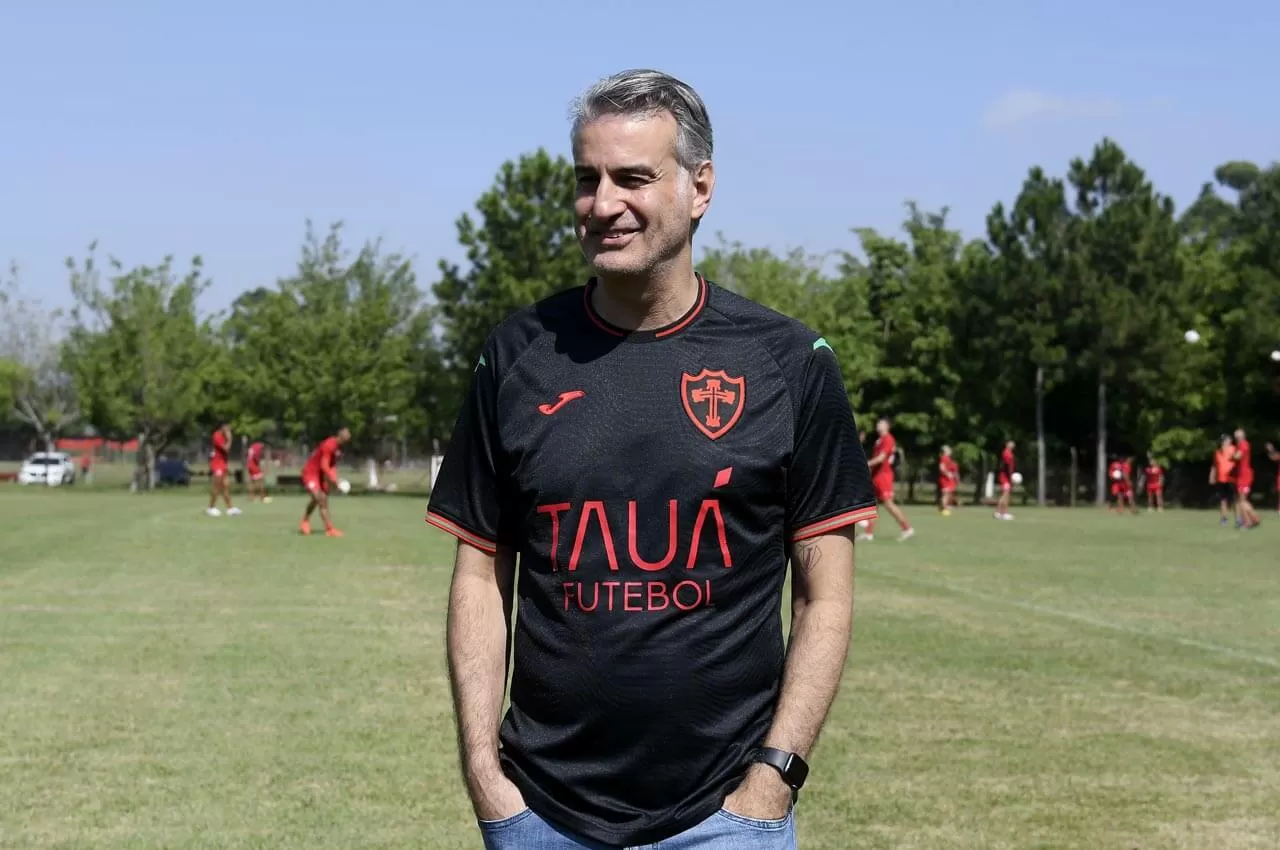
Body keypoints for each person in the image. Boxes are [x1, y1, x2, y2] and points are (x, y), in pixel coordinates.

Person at [425, 69, 877, 850]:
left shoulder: (790, 362)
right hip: (540, 815)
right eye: (587, 179)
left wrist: (773, 780)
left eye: (632, 178)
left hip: (725, 819)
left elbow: (824, 598)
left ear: (699, 188)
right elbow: (479, 576)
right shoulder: (516, 355)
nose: (603, 204)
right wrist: (483, 775)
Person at [858, 417, 914, 542]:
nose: (878, 425)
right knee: (873, 504)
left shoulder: (888, 439)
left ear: (887, 426)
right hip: (877, 475)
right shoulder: (879, 440)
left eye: (881, 423)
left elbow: (881, 458)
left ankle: (907, 529)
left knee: (888, 503)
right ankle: (868, 533)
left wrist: (866, 464)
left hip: (884, 476)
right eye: (878, 423)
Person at [299, 427, 350, 537]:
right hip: (311, 473)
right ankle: (313, 523)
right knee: (319, 498)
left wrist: (335, 479)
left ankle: (321, 526)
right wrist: (334, 480)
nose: (347, 439)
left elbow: (332, 465)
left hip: (320, 475)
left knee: (321, 500)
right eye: (346, 437)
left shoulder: (339, 449)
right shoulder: (329, 445)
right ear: (340, 436)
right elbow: (324, 465)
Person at [206, 421, 239, 517]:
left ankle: (230, 509)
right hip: (217, 465)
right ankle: (211, 508)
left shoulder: (222, 436)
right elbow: (226, 449)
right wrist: (230, 439)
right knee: (217, 487)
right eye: (228, 428)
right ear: (222, 427)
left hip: (222, 464)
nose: (229, 430)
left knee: (225, 486)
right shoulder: (217, 436)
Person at [1231, 428, 1260, 529]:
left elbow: (1237, 456)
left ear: (1241, 436)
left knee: (1242, 500)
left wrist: (1231, 455)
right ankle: (1253, 519)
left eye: (1237, 437)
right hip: (1242, 475)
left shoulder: (1243, 444)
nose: (1235, 439)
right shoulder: (1241, 445)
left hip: (1244, 475)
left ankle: (1249, 521)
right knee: (1241, 500)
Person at [1211, 434, 1235, 526]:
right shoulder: (1217, 452)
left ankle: (1239, 518)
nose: (1224, 442)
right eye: (1223, 441)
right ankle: (1224, 519)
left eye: (1226, 440)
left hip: (1231, 478)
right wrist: (1212, 476)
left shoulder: (1233, 449)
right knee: (1223, 499)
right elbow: (1214, 465)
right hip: (1221, 479)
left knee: (1235, 500)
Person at [994, 440, 1016, 520]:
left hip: (1005, 477)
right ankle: (1003, 513)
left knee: (1006, 494)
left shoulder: (1008, 453)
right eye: (1011, 444)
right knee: (1005, 495)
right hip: (1005, 477)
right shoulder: (1007, 453)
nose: (1012, 446)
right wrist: (1011, 477)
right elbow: (1008, 466)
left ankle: (1000, 513)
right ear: (1007, 445)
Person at [245, 439, 270, 503]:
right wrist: (258, 464)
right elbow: (256, 456)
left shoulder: (253, 446)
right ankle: (262, 498)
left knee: (252, 482)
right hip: (253, 465)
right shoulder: (259, 447)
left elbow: (249, 456)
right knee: (261, 481)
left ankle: (251, 498)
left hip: (249, 465)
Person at [938, 445, 960, 515]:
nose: (950, 451)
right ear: (945, 451)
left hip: (949, 479)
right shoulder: (944, 458)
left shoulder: (948, 459)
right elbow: (941, 467)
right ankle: (944, 508)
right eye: (949, 450)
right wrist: (947, 474)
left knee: (948, 494)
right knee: (946, 494)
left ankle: (943, 507)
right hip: (945, 479)